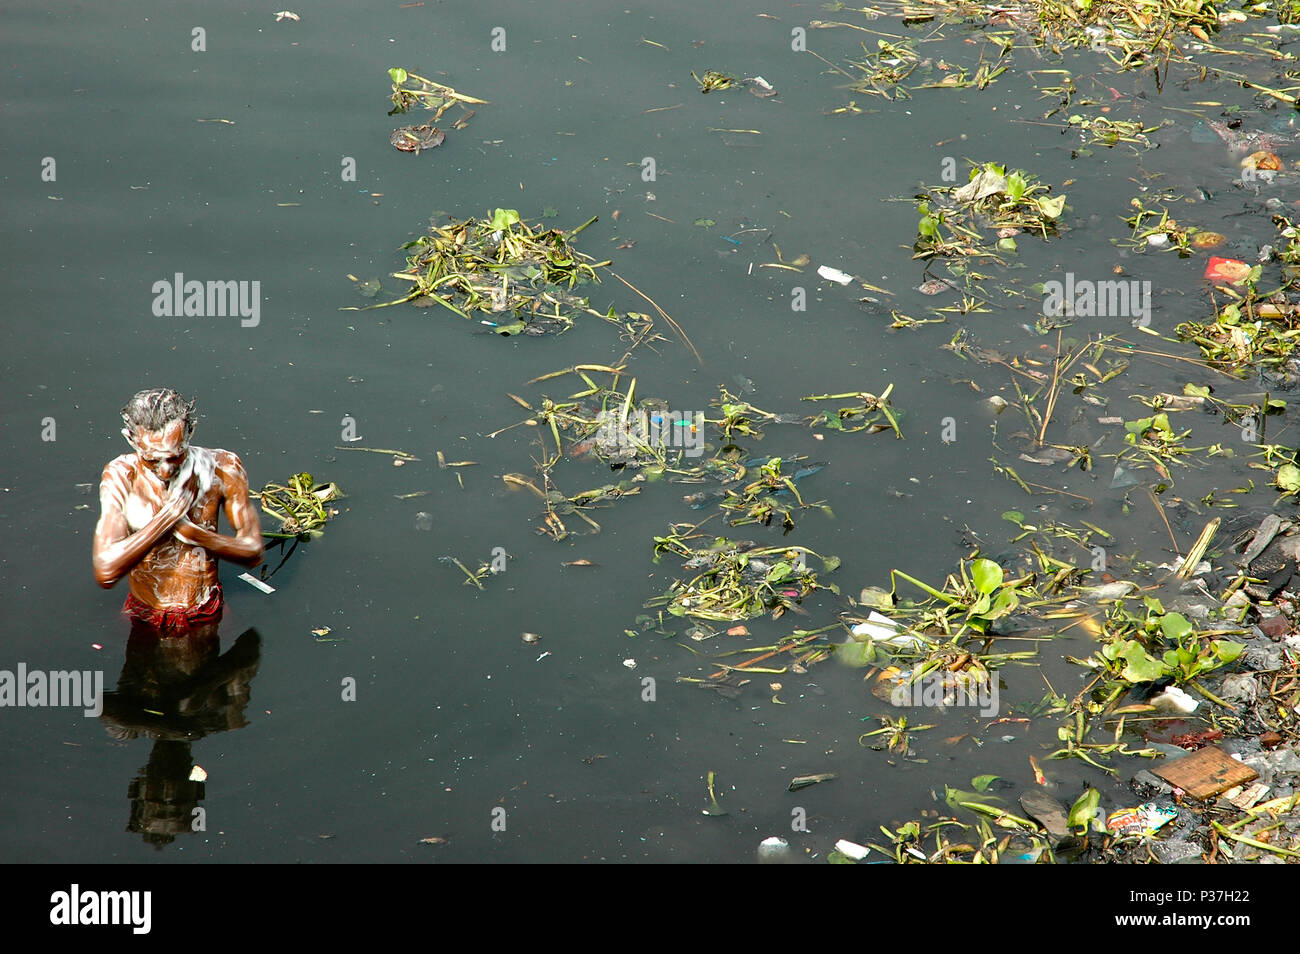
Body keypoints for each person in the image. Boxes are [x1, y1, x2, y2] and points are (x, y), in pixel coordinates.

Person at [93, 389, 263, 631]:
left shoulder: (222, 467)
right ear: (131, 439)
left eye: (175, 457)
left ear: (190, 432)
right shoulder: (122, 474)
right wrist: (168, 517)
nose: (164, 471)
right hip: (145, 613)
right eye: (151, 459)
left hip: (206, 609)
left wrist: (194, 535)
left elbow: (254, 552)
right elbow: (105, 570)